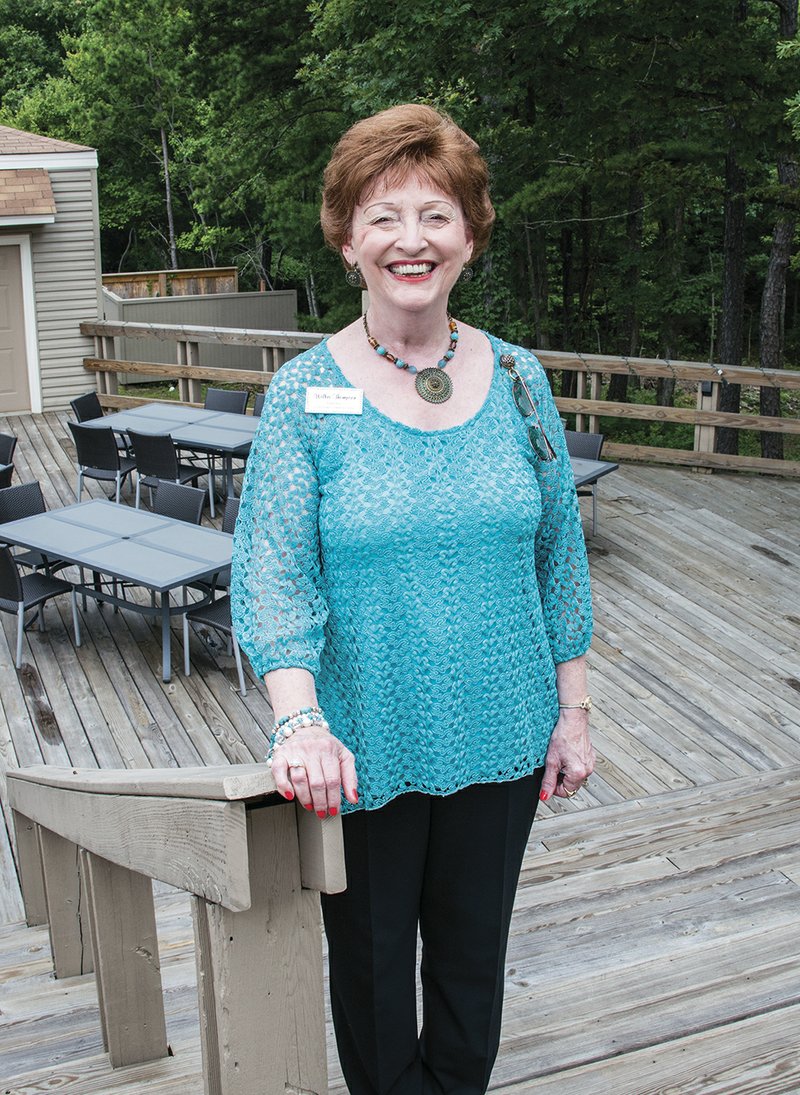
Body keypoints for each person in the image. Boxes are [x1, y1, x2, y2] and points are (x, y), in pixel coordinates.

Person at [231, 103, 595, 1095]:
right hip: (359, 749)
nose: (410, 239)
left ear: (468, 238)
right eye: (382, 216)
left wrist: (571, 710)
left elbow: (557, 554)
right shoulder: (304, 397)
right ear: (346, 241)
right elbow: (271, 570)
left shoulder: (520, 383)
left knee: (472, 974)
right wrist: (297, 718)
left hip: (504, 735)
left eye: (435, 215)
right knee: (376, 976)